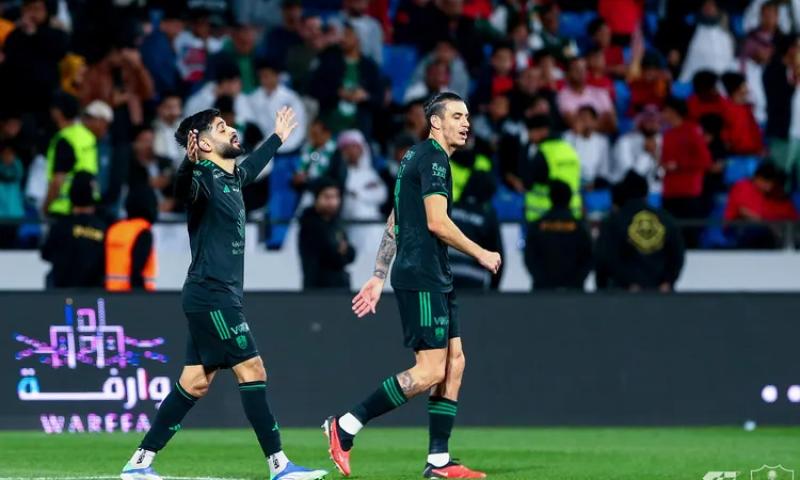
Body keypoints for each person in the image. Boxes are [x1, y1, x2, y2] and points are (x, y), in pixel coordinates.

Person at [119, 106, 327, 480]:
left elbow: (252, 167)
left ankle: (138, 463)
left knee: (195, 382)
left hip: (211, 295)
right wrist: (188, 163)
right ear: (203, 144)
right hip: (212, 294)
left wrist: (277, 138)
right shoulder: (202, 177)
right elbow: (182, 189)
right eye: (220, 127)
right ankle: (279, 465)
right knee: (252, 368)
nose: (231, 129)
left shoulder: (231, 177)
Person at [323, 92, 501, 479]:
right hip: (422, 275)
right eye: (457, 116)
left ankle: (439, 461)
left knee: (455, 362)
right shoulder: (434, 159)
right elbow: (437, 222)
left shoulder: (414, 157)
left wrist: (378, 274)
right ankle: (346, 426)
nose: (466, 123)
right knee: (430, 371)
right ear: (436, 122)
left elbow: (396, 217)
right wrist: (480, 252)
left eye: (467, 116)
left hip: (432, 272)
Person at [596, 172, 685, 292]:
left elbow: (606, 257)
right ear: (646, 193)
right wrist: (667, 281)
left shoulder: (614, 221)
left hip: (623, 293)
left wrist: (627, 283)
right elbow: (677, 254)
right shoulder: (666, 219)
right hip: (660, 293)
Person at [41, 172, 106, 288]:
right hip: (94, 293)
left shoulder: (60, 226)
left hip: (64, 293)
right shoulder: (103, 227)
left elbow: (45, 254)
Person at [525, 180, 592, 291]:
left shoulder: (537, 226)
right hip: (573, 292)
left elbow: (530, 258)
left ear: (550, 198)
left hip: (543, 291)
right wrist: (576, 282)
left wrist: (543, 281)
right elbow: (588, 259)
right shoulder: (579, 228)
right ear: (570, 198)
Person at [520, 114, 583, 222]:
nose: (529, 137)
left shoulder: (543, 152)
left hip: (544, 215)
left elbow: (527, 183)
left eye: (531, 132)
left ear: (543, 131)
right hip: (572, 212)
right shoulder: (570, 149)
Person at [44, 94, 99, 217]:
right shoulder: (88, 136)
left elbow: (58, 180)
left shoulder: (65, 139)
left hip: (64, 209)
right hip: (87, 206)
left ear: (57, 112)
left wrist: (45, 207)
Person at [449, 171, 504, 290]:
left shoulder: (450, 209)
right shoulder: (487, 216)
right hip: (474, 280)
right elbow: (497, 256)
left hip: (446, 276)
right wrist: (495, 289)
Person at [724, 162, 799, 248]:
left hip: (772, 232)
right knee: (759, 231)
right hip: (742, 229)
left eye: (771, 182)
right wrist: (769, 226)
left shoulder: (775, 195)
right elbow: (743, 211)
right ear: (757, 178)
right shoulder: (743, 186)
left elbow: (792, 219)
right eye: (766, 182)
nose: (769, 187)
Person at [298, 179, 355, 289]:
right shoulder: (310, 224)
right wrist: (341, 253)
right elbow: (329, 255)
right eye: (327, 197)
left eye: (335, 197)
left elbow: (350, 252)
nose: (332, 202)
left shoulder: (336, 222)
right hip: (319, 289)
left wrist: (344, 252)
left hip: (340, 287)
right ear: (316, 198)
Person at [105, 185, 158, 291]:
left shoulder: (114, 229)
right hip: (133, 296)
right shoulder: (143, 231)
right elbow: (137, 271)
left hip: (109, 295)